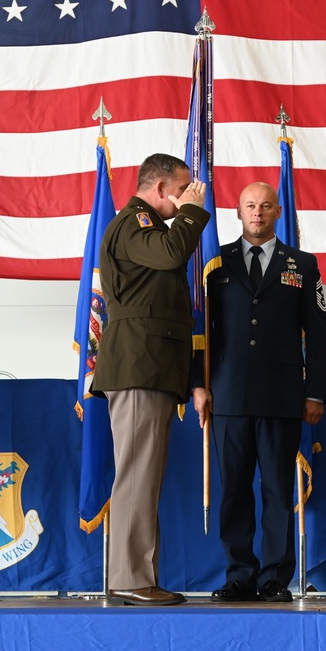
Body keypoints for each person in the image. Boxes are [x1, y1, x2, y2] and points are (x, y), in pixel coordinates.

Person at [191, 182, 326, 603]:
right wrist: (198, 383)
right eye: (250, 205)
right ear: (237, 212)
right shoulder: (216, 262)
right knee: (233, 489)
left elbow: (318, 334)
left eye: (266, 205)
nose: (257, 212)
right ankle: (239, 575)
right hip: (227, 394)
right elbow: (200, 328)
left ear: (278, 211)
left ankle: (274, 578)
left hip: (282, 394)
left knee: (276, 489)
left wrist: (315, 393)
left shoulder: (301, 264)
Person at [91, 153, 210, 606]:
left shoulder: (149, 226)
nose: (188, 198)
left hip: (152, 367)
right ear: (160, 189)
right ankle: (129, 576)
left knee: (144, 475)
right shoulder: (133, 223)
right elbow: (170, 253)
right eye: (182, 191)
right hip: (139, 366)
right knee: (137, 474)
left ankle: (137, 573)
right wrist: (194, 212)